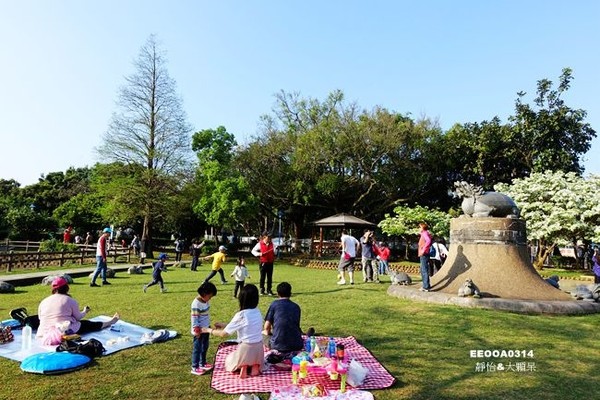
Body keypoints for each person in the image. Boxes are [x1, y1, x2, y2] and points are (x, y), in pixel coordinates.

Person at [205, 284, 263, 378]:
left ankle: (243, 366)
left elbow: (223, 334)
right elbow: (245, 326)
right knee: (252, 360)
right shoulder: (257, 312)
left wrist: (208, 330)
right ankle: (254, 367)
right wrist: (224, 325)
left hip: (245, 348)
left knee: (230, 358)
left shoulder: (241, 315)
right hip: (259, 349)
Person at [37, 277, 119, 339]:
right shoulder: (69, 300)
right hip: (61, 331)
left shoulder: (44, 301)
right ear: (66, 287)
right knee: (87, 324)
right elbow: (78, 317)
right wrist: (84, 311)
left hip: (43, 332)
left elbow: (40, 317)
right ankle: (111, 322)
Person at [262, 282, 304, 363]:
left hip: (278, 345)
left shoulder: (274, 304)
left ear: (278, 293)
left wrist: (268, 333)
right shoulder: (296, 307)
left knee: (263, 334)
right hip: (296, 344)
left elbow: (266, 327)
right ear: (290, 293)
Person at [190, 281, 218, 376]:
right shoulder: (196, 304)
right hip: (199, 331)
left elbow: (205, 316)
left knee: (205, 346)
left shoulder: (205, 301)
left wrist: (209, 327)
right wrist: (197, 331)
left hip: (206, 329)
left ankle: (203, 363)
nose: (210, 299)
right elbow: (195, 318)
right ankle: (195, 366)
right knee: (197, 348)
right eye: (209, 296)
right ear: (204, 294)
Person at [418, 222, 433, 292]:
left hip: (424, 254)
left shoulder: (424, 233)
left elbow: (428, 241)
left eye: (420, 227)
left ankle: (426, 287)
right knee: (423, 269)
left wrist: (423, 250)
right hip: (424, 254)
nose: (419, 228)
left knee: (424, 270)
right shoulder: (424, 233)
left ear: (423, 228)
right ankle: (426, 285)